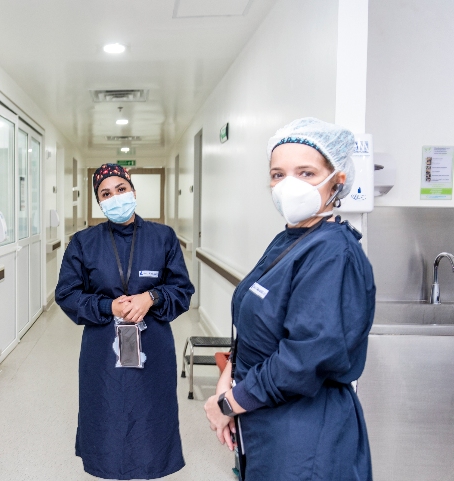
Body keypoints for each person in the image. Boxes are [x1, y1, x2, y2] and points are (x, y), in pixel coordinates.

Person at [204, 117, 376, 480]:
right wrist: (230, 375)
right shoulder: (290, 239)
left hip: (305, 432)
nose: (289, 185)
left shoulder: (334, 253)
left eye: (306, 173)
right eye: (278, 174)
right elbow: (259, 323)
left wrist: (229, 404)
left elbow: (305, 356)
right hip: (267, 418)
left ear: (338, 179)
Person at [55, 163, 195, 480]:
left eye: (120, 189)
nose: (115, 197)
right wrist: (108, 306)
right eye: (106, 193)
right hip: (103, 347)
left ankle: (151, 467)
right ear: (99, 201)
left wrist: (152, 298)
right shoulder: (83, 243)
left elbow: (182, 291)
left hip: (153, 344)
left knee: (150, 412)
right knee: (106, 411)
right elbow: (67, 294)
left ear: (133, 191)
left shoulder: (163, 238)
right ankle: (107, 467)